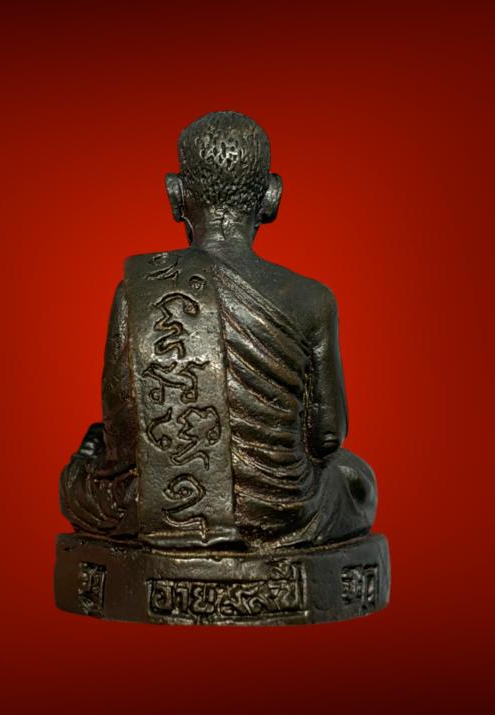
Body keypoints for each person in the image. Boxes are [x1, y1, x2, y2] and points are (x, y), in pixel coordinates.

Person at [60, 111, 377, 549]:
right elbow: (326, 437)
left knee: (85, 469)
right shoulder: (312, 299)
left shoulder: (137, 290)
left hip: (161, 504)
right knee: (355, 478)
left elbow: (121, 434)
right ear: (271, 196)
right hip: (283, 511)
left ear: (175, 194)